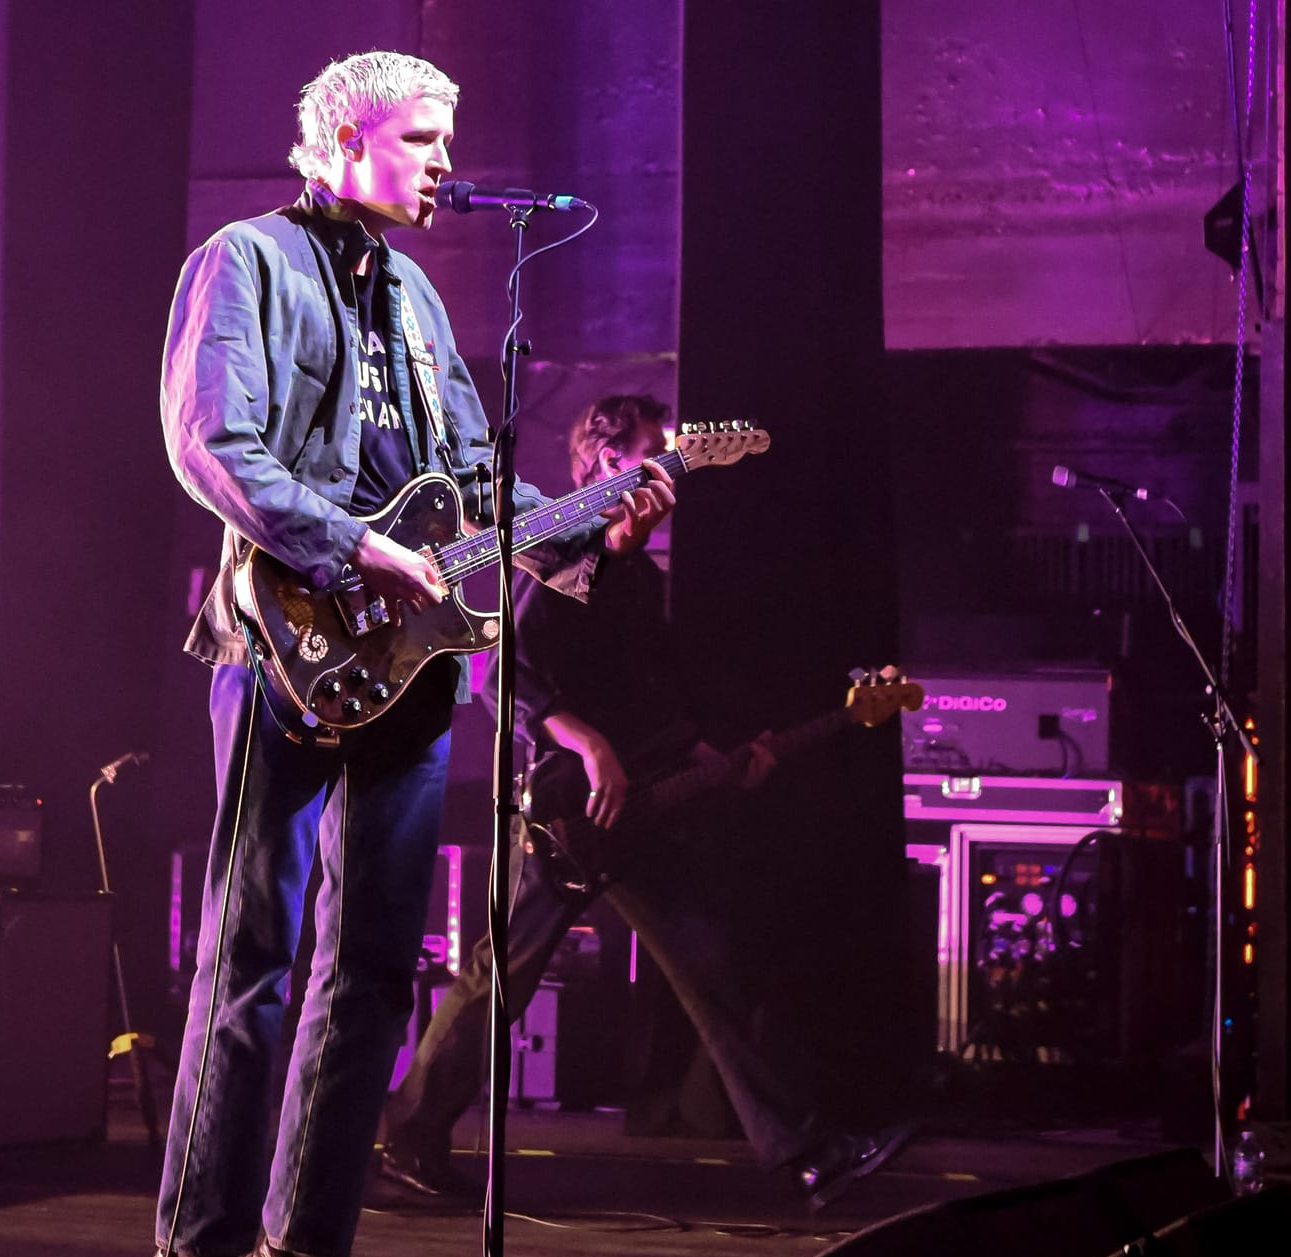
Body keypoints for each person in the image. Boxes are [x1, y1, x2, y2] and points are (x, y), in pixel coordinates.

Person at [141, 51, 668, 1257]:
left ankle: (304, 1254)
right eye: (419, 138)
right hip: (283, 646)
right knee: (252, 958)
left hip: (415, 666)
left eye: (446, 137)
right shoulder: (245, 263)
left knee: (374, 968)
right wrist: (355, 548)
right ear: (338, 143)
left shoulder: (422, 298)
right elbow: (211, 442)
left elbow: (473, 496)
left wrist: (590, 527)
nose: (442, 160)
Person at [380, 392, 913, 1210]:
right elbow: (504, 680)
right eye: (651, 449)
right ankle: (410, 1140)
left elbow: (652, 702)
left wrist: (713, 759)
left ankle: (809, 1154)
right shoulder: (559, 560)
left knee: (713, 966)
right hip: (569, 810)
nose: (668, 466)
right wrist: (591, 747)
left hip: (640, 812)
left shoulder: (639, 577)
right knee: (499, 978)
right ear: (606, 463)